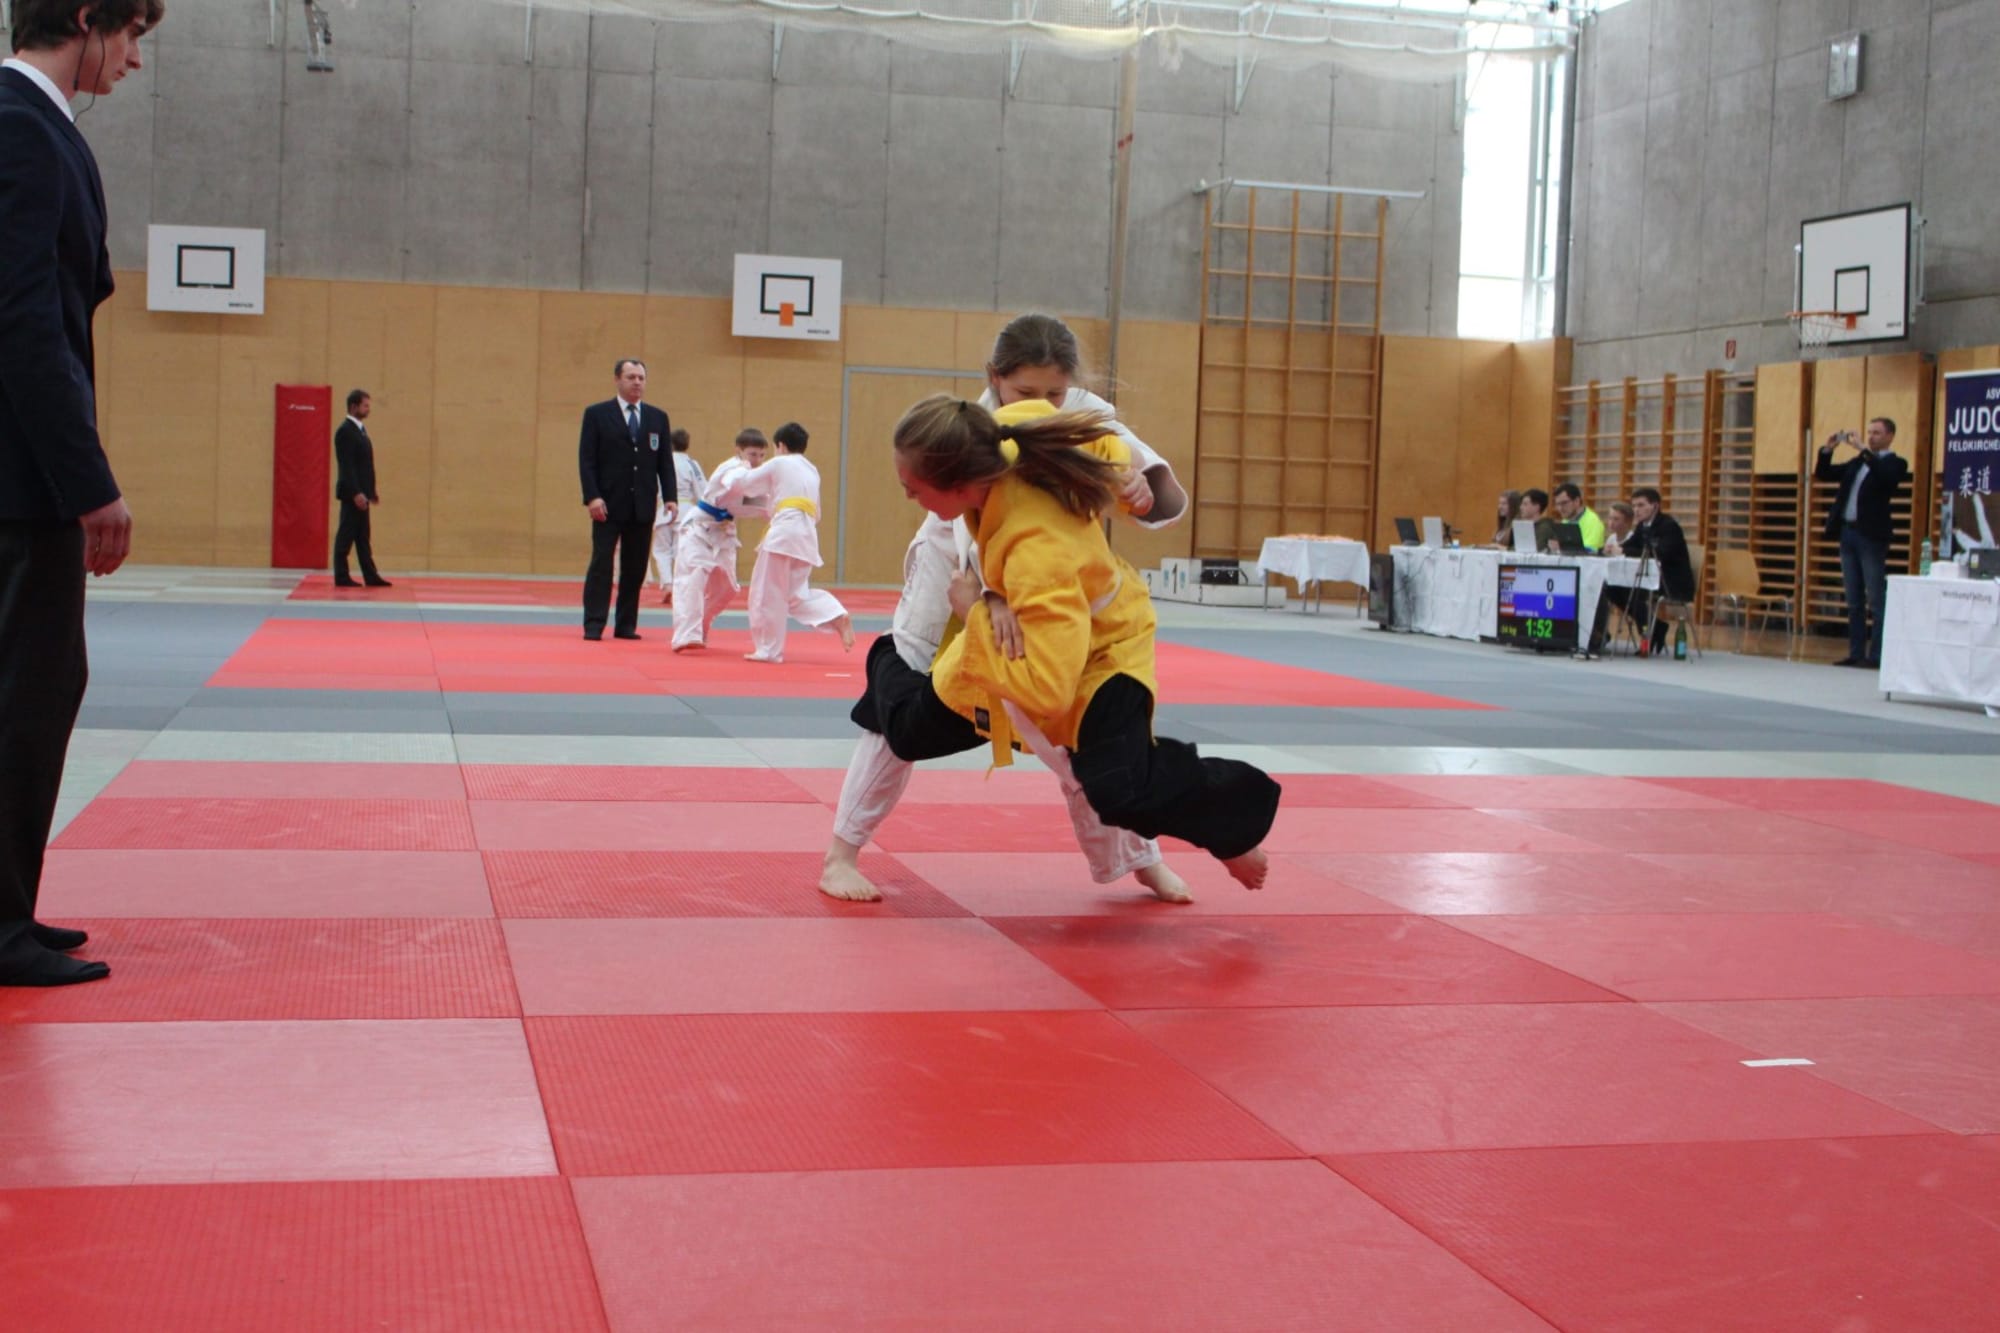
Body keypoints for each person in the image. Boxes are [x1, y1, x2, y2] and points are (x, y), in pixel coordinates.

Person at [820, 313, 1190, 904]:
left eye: (1055, 392)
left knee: (1075, 723)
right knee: (899, 699)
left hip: (1041, 578)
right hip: (956, 567)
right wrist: (988, 599)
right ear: (994, 377)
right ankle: (841, 855)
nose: (1042, 402)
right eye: (1024, 391)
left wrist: (1142, 492)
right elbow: (964, 521)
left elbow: (1158, 489)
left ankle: (1138, 858)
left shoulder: (1085, 414)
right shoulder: (974, 425)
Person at [849, 395, 1281, 894]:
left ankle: (1233, 829)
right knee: (908, 731)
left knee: (1118, 787)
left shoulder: (1037, 551)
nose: (909, 499)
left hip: (1104, 652)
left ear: (961, 486)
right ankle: (887, 654)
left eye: (913, 490)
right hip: (1028, 637)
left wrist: (974, 612)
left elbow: (1049, 693)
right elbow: (1078, 431)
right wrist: (1121, 474)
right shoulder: (999, 434)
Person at [0, 0, 163, 986]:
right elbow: (25, 322)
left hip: (26, 475)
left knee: (41, 685)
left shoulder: (39, 128)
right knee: (28, 690)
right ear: (87, 18)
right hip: (23, 482)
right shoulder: (22, 128)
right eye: (132, 34)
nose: (134, 60)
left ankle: (10, 906)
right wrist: (88, 480)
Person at [736, 422, 853, 663]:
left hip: (783, 535)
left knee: (766, 594)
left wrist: (741, 464)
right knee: (796, 596)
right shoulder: (812, 470)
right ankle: (835, 614)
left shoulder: (780, 462)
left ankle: (768, 650)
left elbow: (746, 484)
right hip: (806, 536)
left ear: (780, 445)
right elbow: (817, 514)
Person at [579, 358, 674, 641]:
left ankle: (626, 625)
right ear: (617, 379)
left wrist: (670, 497)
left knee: (635, 567)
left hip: (642, 503)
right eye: (631, 377)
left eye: (641, 378)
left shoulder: (657, 418)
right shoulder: (597, 414)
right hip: (607, 503)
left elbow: (664, 462)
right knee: (602, 565)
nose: (637, 383)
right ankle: (594, 623)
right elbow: (587, 460)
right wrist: (592, 497)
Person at [1816, 417, 1909, 668]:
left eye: (1877, 433)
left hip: (1871, 536)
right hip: (1848, 533)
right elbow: (1825, 473)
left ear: (1890, 436)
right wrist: (1828, 450)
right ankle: (1856, 652)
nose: (1871, 436)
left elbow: (1886, 479)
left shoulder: (1895, 463)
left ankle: (1877, 655)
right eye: (1869, 432)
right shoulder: (1858, 462)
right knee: (1854, 599)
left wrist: (1863, 450)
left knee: (1876, 598)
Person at [670, 428, 769, 652]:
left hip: (723, 533)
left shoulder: (754, 477)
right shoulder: (732, 469)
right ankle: (686, 636)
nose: (757, 460)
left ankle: (701, 624)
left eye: (762, 455)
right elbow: (732, 482)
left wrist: (779, 508)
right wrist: (751, 476)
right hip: (698, 528)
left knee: (728, 588)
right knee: (693, 580)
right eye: (752, 454)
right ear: (739, 451)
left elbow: (757, 504)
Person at [332, 389, 391, 588]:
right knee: (346, 536)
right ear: (353, 406)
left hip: (362, 494)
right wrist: (356, 492)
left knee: (363, 537)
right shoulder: (345, 432)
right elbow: (347, 466)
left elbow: (365, 465)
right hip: (353, 495)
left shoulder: (360, 431)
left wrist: (370, 492)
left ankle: (370, 575)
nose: (368, 409)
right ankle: (341, 576)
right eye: (365, 406)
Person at [1628, 486, 1695, 654]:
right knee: (1614, 589)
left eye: (1641, 505)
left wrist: (1625, 551)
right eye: (1634, 506)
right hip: (1651, 579)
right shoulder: (1642, 526)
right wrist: (1613, 549)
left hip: (1672, 582)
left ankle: (1649, 633)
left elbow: (1660, 554)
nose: (1636, 510)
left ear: (1655, 506)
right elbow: (1631, 546)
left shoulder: (1669, 526)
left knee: (1634, 593)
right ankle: (1656, 627)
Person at [648, 427, 703, 602]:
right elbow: (702, 491)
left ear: (669, 444)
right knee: (681, 551)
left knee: (661, 550)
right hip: (685, 512)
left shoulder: (659, 463)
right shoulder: (691, 464)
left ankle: (668, 585)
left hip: (663, 511)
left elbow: (650, 488)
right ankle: (680, 588)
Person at [1551, 481, 1606, 552]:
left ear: (1577, 501)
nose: (1560, 508)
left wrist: (1561, 548)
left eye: (1564, 503)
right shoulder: (1566, 520)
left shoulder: (1593, 522)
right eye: (1557, 504)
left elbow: (1589, 551)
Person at [1516, 488, 1558, 552]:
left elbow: (1535, 549)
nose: (1521, 507)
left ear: (1537, 507)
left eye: (1525, 504)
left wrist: (1506, 549)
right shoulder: (1525, 526)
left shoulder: (1545, 528)